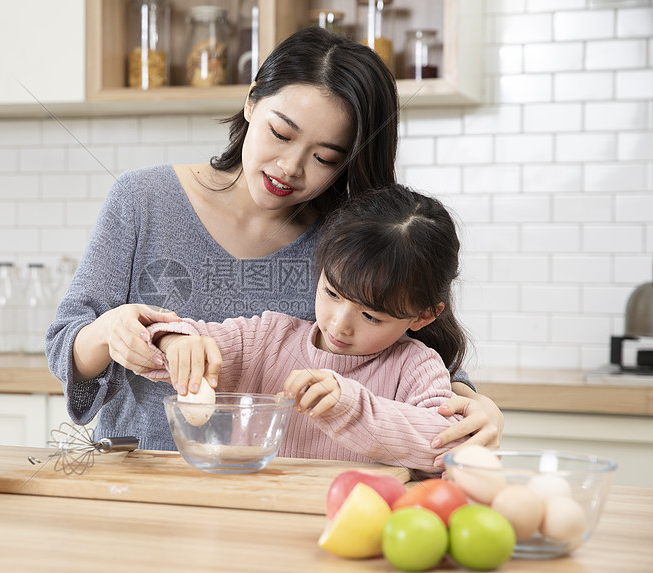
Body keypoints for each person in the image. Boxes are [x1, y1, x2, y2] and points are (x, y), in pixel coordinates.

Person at [45, 26, 503, 466]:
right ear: (250, 102)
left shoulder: (344, 244)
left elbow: (407, 353)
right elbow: (65, 343)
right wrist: (113, 332)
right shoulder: (142, 199)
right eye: (280, 134)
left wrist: (475, 405)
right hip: (141, 475)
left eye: (324, 157)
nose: (289, 167)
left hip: (274, 487)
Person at [141, 186, 467, 473]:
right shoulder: (266, 338)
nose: (339, 324)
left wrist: (350, 406)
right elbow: (160, 332)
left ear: (422, 317)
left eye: (371, 317)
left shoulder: (414, 367)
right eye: (332, 293)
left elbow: (446, 442)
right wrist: (173, 341)